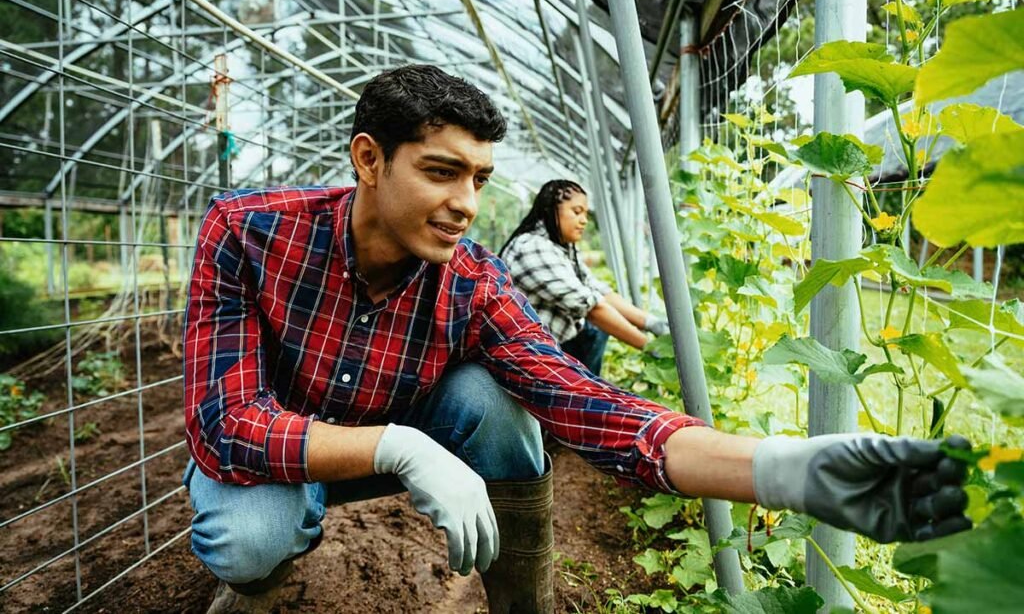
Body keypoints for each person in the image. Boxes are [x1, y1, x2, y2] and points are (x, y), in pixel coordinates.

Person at [182, 65, 972, 614]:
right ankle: (265, 581)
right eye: (441, 171)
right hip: (276, 453)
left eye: (480, 179)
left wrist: (782, 468)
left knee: (500, 400)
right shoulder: (249, 234)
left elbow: (588, 403)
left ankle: (526, 603)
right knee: (250, 537)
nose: (464, 202)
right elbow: (225, 420)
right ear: (368, 158)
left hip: (392, 430)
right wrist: (399, 447)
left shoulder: (470, 279)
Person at [499, 179, 667, 375]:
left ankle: (582, 386)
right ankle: (578, 393)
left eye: (586, 214)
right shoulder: (533, 248)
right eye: (577, 212)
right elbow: (590, 307)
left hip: (549, 344)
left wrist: (651, 323)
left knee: (595, 329)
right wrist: (651, 348)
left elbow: (596, 289)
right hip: (524, 355)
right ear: (551, 210)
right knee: (596, 326)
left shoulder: (560, 246)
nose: (584, 220)